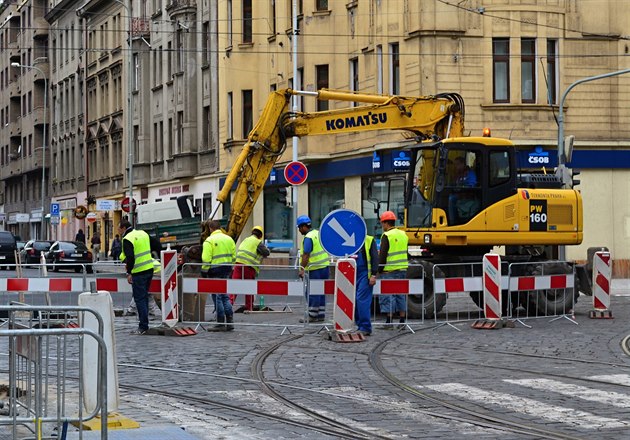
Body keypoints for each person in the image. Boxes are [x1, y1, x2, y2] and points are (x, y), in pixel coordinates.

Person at [119, 219, 161, 335]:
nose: (118, 231)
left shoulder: (127, 239)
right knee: (145, 297)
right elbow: (157, 245)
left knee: (140, 299)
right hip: (149, 268)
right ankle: (144, 324)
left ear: (123, 228)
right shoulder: (143, 233)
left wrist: (129, 272)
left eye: (118, 228)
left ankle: (143, 326)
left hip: (138, 271)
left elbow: (130, 257)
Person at [202, 220, 236, 331]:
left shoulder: (209, 240)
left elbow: (206, 259)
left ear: (211, 228)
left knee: (217, 296)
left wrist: (204, 271)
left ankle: (220, 322)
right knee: (224, 295)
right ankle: (230, 322)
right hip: (226, 269)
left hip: (214, 270)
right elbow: (234, 256)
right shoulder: (229, 239)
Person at [377, 211, 409, 328]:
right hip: (402, 269)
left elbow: (383, 256)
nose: (382, 226)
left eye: (382, 223)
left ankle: (389, 321)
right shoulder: (403, 234)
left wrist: (378, 270)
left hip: (389, 271)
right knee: (401, 294)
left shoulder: (387, 236)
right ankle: (402, 321)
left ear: (386, 223)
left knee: (388, 295)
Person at [297, 215, 329, 323]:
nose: (299, 230)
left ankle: (312, 315)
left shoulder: (308, 237)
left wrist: (302, 268)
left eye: (299, 228)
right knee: (321, 291)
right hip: (325, 267)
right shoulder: (318, 234)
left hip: (314, 268)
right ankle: (320, 314)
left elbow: (306, 255)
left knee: (313, 292)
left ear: (303, 226)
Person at [231, 226, 270, 312]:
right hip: (248, 266)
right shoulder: (258, 242)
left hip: (238, 264)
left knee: (234, 286)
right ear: (260, 235)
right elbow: (266, 252)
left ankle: (229, 304)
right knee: (249, 287)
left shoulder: (246, 239)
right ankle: (249, 307)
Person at [352, 234, 379, 336]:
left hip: (364, 275)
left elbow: (375, 258)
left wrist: (373, 274)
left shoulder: (369, 240)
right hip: (352, 273)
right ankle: (360, 325)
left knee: (361, 299)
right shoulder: (349, 238)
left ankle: (365, 327)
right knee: (355, 300)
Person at [448, 156, 480, 224]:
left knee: (451, 199)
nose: (456, 166)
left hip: (468, 195)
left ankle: (453, 221)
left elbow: (472, 185)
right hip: (459, 194)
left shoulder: (470, 173)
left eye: (457, 164)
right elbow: (454, 184)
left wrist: (463, 187)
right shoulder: (458, 175)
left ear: (463, 164)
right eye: (455, 164)